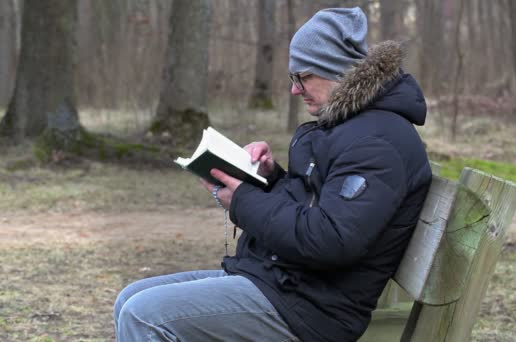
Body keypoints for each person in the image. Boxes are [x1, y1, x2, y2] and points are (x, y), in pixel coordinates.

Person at [114, 7, 431, 342]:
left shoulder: (377, 142)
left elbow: (330, 240)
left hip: (312, 310)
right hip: (285, 283)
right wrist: (268, 178)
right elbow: (319, 204)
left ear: (336, 71)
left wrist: (243, 200)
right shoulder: (351, 127)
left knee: (144, 315)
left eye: (303, 77)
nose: (295, 90)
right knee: (128, 300)